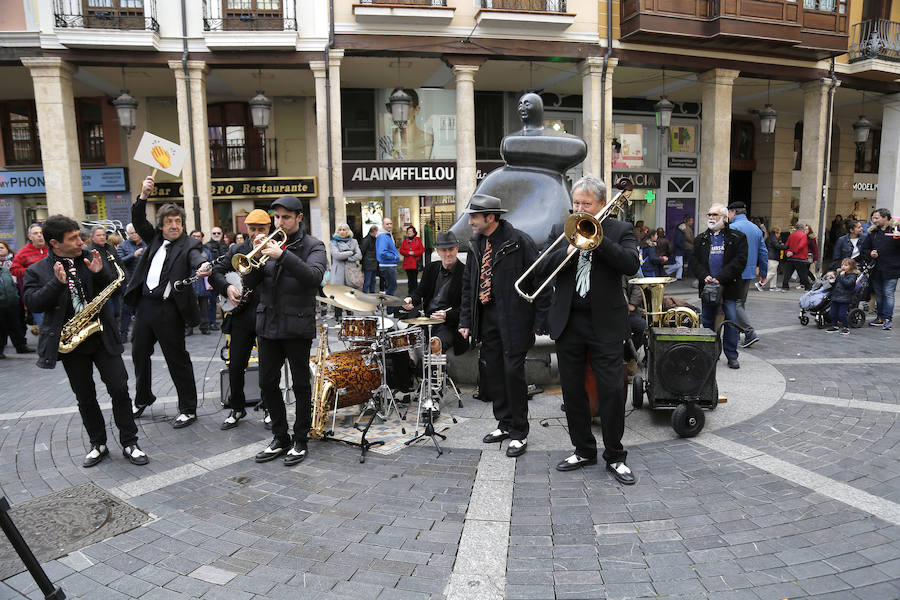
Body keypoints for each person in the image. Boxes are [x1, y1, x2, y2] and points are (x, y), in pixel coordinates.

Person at [23, 215, 148, 468]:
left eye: (80, 236)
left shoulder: (91, 257)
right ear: (55, 243)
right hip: (72, 343)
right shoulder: (37, 270)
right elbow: (33, 301)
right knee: (85, 396)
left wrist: (100, 273)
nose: (81, 242)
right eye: (73, 239)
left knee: (120, 389)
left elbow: (117, 287)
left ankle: (129, 442)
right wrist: (55, 284)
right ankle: (98, 443)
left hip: (102, 337)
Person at [541, 176, 640, 481]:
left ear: (601, 204)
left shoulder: (620, 230)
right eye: (576, 203)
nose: (580, 208)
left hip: (605, 324)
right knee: (572, 392)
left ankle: (614, 454)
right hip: (569, 322)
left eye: (586, 204)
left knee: (611, 390)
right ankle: (583, 449)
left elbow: (630, 264)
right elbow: (543, 267)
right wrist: (565, 253)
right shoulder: (562, 230)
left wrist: (598, 240)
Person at [458, 194, 549, 459]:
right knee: (494, 373)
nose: (471, 221)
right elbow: (468, 287)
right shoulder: (476, 244)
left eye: (475, 216)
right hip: (488, 318)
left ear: (491, 217)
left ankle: (520, 432)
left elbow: (541, 279)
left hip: (515, 319)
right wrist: (466, 320)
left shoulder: (519, 241)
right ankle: (504, 423)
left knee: (512, 373)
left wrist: (542, 319)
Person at [242, 195, 327, 466]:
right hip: (268, 324)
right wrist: (252, 259)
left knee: (301, 385)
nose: (279, 222)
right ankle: (280, 437)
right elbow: (252, 282)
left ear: (299, 218)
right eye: (276, 217)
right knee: (267, 383)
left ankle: (300, 439)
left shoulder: (314, 245)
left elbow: (313, 278)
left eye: (286, 217)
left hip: (297, 324)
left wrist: (283, 255)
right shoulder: (268, 243)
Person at [126, 176, 212, 428]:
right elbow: (138, 220)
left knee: (177, 359)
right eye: (169, 222)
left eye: (178, 222)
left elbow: (197, 257)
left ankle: (188, 408)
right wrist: (143, 195)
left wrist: (203, 266)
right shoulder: (153, 239)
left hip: (169, 310)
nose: (174, 226)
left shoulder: (189, 245)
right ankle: (143, 398)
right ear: (161, 226)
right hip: (145, 306)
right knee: (138, 353)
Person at [210, 209, 272, 431]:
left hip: (267, 315)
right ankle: (237, 408)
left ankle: (269, 408)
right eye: (253, 229)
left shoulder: (276, 249)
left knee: (268, 367)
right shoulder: (237, 249)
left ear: (269, 229)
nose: (256, 233)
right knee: (236, 365)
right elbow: (216, 272)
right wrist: (227, 288)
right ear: (247, 229)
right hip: (241, 316)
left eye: (261, 229)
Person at [690, 203, 748, 370]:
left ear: (724, 218)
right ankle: (709, 354)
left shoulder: (737, 237)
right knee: (707, 322)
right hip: (708, 287)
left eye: (714, 215)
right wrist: (704, 276)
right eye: (709, 215)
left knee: (730, 321)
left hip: (729, 287)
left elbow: (740, 261)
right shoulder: (700, 239)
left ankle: (731, 355)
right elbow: (694, 261)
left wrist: (720, 278)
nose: (710, 218)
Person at [403, 230, 467, 357]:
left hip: (448, 325)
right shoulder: (431, 268)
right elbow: (420, 292)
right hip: (426, 319)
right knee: (402, 343)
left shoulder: (466, 273)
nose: (448, 254)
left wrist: (447, 315)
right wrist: (411, 299)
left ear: (457, 249)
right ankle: (413, 374)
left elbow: (467, 308)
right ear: (437, 251)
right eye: (443, 250)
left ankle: (435, 375)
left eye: (451, 249)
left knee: (435, 345)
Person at [727, 201, 766, 348]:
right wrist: (763, 272)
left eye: (729, 213)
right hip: (749, 271)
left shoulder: (732, 227)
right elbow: (763, 251)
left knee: (735, 304)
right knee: (740, 303)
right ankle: (736, 333)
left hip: (735, 272)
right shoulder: (755, 228)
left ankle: (749, 332)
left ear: (733, 212)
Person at [860, 208, 900, 330]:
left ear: (886, 218)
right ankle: (880, 317)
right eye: (873, 218)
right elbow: (864, 249)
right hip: (876, 269)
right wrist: (870, 253)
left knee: (888, 294)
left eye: (876, 218)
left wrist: (898, 238)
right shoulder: (873, 233)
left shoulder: (896, 231)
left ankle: (888, 319)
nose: (874, 220)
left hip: (892, 269)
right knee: (879, 294)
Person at [10, 223, 49, 333]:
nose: (39, 236)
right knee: (44, 328)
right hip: (36, 295)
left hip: (54, 293)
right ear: (30, 236)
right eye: (35, 233)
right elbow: (13, 269)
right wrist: (31, 272)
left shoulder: (52, 249)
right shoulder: (23, 252)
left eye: (41, 233)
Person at [378, 88, 434, 160]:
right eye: (393, 107)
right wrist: (396, 147)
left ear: (416, 110)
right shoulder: (385, 143)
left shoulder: (431, 141)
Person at [116, 223, 147, 340]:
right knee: (126, 309)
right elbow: (119, 262)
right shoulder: (123, 246)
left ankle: (141, 334)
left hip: (144, 282)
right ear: (127, 234)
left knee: (143, 309)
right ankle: (123, 333)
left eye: (136, 232)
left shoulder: (146, 244)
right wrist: (132, 255)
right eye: (131, 233)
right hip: (129, 282)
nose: (134, 235)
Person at [329, 223, 362, 319]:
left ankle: (350, 317)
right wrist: (351, 253)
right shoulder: (333, 242)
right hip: (338, 272)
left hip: (350, 272)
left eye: (344, 229)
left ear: (348, 231)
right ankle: (338, 317)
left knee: (349, 294)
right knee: (338, 295)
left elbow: (359, 256)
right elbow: (336, 255)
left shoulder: (354, 241)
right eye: (340, 229)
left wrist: (345, 256)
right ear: (337, 231)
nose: (342, 231)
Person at [187, 230, 213, 336]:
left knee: (204, 306)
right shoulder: (186, 251)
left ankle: (205, 326)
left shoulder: (207, 252)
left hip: (203, 282)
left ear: (202, 238)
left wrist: (210, 282)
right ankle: (188, 328)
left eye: (199, 236)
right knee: (188, 306)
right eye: (194, 236)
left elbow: (211, 266)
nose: (196, 238)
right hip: (190, 281)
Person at [825, 258, 860, 335]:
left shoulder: (852, 276)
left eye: (846, 265)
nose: (843, 267)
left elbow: (848, 284)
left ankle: (846, 327)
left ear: (852, 266)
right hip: (835, 296)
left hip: (845, 298)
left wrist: (841, 277)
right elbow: (835, 284)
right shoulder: (840, 274)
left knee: (842, 314)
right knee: (832, 313)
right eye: (842, 265)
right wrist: (832, 280)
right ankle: (835, 326)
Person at [205, 227, 228, 330]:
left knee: (225, 301)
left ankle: (225, 321)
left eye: (218, 233)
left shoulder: (225, 246)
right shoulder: (207, 246)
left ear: (222, 233)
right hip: (211, 277)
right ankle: (212, 322)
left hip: (224, 277)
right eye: (214, 233)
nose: (216, 234)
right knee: (212, 302)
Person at [376, 217, 401, 303]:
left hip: (389, 265)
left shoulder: (387, 235)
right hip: (387, 265)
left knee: (390, 288)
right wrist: (394, 257)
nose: (389, 226)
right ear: (383, 225)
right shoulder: (383, 236)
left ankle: (385, 307)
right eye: (387, 224)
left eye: (390, 223)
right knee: (391, 288)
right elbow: (382, 252)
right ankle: (388, 309)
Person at [782, 220, 812, 291]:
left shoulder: (792, 234)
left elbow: (787, 245)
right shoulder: (803, 235)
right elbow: (801, 245)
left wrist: (787, 252)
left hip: (791, 258)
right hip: (799, 257)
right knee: (803, 273)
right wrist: (793, 252)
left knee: (788, 273)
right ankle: (807, 287)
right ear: (803, 227)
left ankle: (785, 286)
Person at [399, 225, 425, 296]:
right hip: (407, 264)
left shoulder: (418, 240)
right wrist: (408, 252)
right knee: (410, 280)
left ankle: (415, 293)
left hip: (415, 263)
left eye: (411, 231)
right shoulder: (405, 241)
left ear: (414, 232)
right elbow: (401, 250)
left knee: (414, 280)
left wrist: (414, 253)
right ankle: (410, 293)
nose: (409, 233)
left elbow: (422, 250)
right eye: (408, 232)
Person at [760, 226, 786, 291]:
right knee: (771, 273)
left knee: (774, 273)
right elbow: (777, 246)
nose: (779, 235)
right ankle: (760, 284)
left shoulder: (769, 238)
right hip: (773, 257)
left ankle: (773, 287)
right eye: (779, 233)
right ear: (776, 233)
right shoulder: (773, 238)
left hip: (771, 257)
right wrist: (786, 246)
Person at [360, 225, 380, 294]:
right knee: (368, 281)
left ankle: (371, 294)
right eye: (376, 231)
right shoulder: (367, 239)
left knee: (372, 281)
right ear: (373, 231)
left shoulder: (372, 239)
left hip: (372, 263)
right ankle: (365, 295)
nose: (377, 233)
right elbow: (362, 251)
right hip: (369, 263)